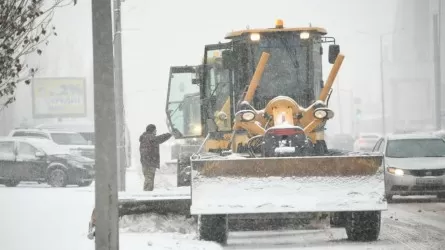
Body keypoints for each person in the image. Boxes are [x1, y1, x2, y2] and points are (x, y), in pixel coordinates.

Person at [139, 124, 176, 191]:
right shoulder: (150, 137)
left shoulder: (145, 137)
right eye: (155, 130)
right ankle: (147, 196)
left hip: (145, 162)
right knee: (149, 180)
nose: (156, 131)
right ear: (152, 130)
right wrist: (169, 134)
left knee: (148, 179)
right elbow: (160, 138)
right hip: (149, 162)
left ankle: (148, 195)